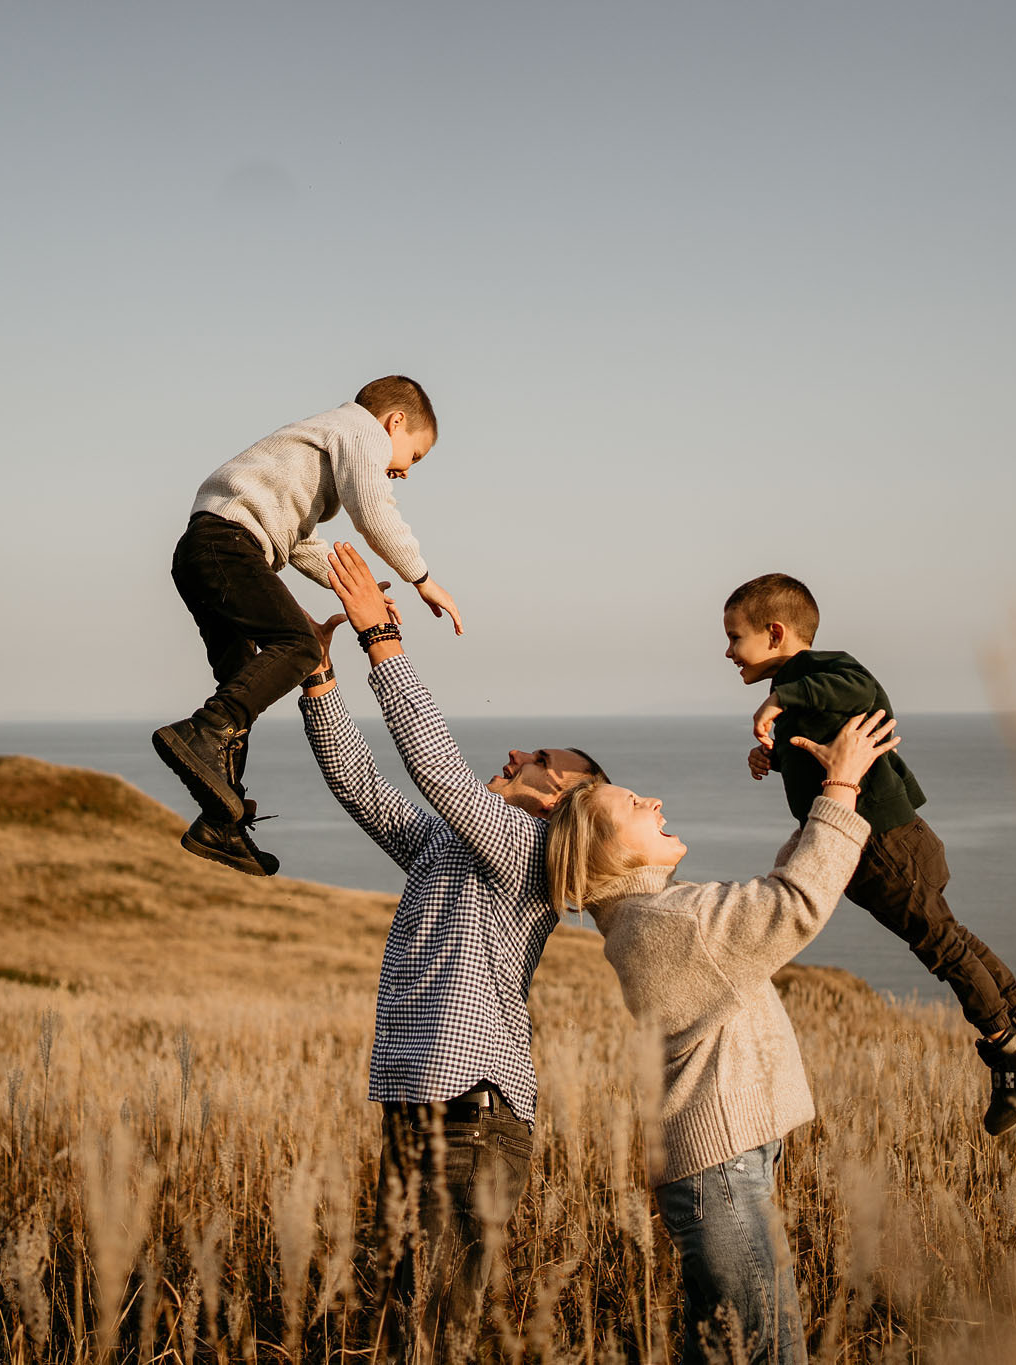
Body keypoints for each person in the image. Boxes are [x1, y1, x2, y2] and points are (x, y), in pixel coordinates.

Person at [300, 541, 603, 1363]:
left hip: (471, 1116)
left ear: (557, 801)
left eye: (538, 760)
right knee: (414, 1323)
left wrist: (382, 642)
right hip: (425, 1108)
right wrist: (317, 676)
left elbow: (434, 765)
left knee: (432, 1332)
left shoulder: (527, 854)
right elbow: (363, 788)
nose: (515, 754)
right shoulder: (457, 847)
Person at [545, 713, 897, 1365]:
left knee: (727, 1352)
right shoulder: (665, 926)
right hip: (722, 1174)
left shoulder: (657, 918)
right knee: (768, 1354)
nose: (651, 800)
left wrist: (820, 788)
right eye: (630, 803)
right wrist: (843, 784)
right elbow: (793, 904)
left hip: (721, 1170)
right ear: (602, 848)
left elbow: (770, 897)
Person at [722, 572, 1016, 1134]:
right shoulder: (803, 692)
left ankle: (1010, 1049)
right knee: (947, 935)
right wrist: (775, 758)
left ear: (776, 632)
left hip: (884, 845)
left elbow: (860, 691)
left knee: (940, 946)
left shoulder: (816, 673)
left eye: (736, 637)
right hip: (885, 845)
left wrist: (781, 698)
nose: (728, 651)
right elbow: (828, 755)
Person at [154, 377, 465, 877]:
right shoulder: (359, 430)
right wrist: (421, 578)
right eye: (415, 456)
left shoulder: (317, 451)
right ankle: (203, 732)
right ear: (395, 422)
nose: (405, 471)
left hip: (205, 550)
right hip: (227, 546)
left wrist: (353, 587)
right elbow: (373, 511)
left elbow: (296, 543)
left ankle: (220, 822)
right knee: (297, 648)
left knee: (242, 681)